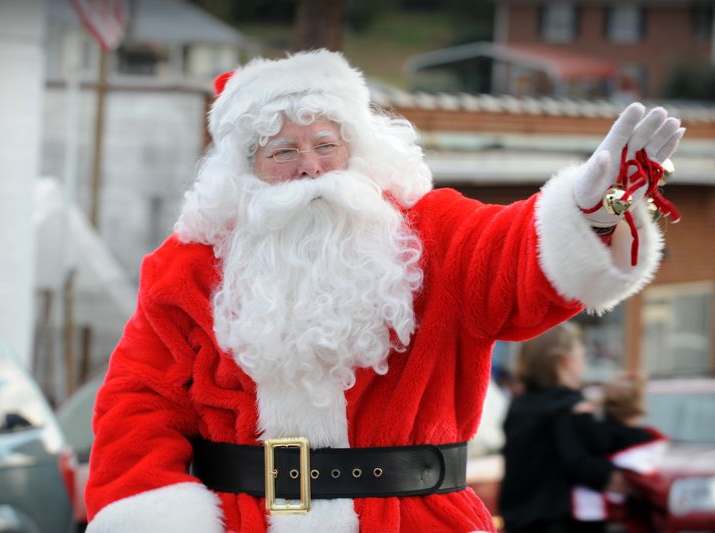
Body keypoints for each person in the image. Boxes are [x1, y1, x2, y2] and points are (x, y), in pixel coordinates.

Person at [84, 49, 684, 533]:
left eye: (325, 146)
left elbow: (512, 253)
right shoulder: (188, 267)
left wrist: (592, 213)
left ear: (355, 149)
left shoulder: (434, 234)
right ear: (246, 169)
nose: (311, 169)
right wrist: (155, 512)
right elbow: (138, 402)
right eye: (284, 152)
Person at [498, 323, 627, 533]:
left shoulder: (519, 406)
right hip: (559, 521)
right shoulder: (568, 408)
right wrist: (631, 481)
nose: (584, 358)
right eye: (581, 352)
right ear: (564, 360)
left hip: (518, 520)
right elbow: (579, 462)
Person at [571, 374, 667, 532]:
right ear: (638, 404)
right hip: (629, 518)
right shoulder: (645, 439)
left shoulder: (593, 433)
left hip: (588, 513)